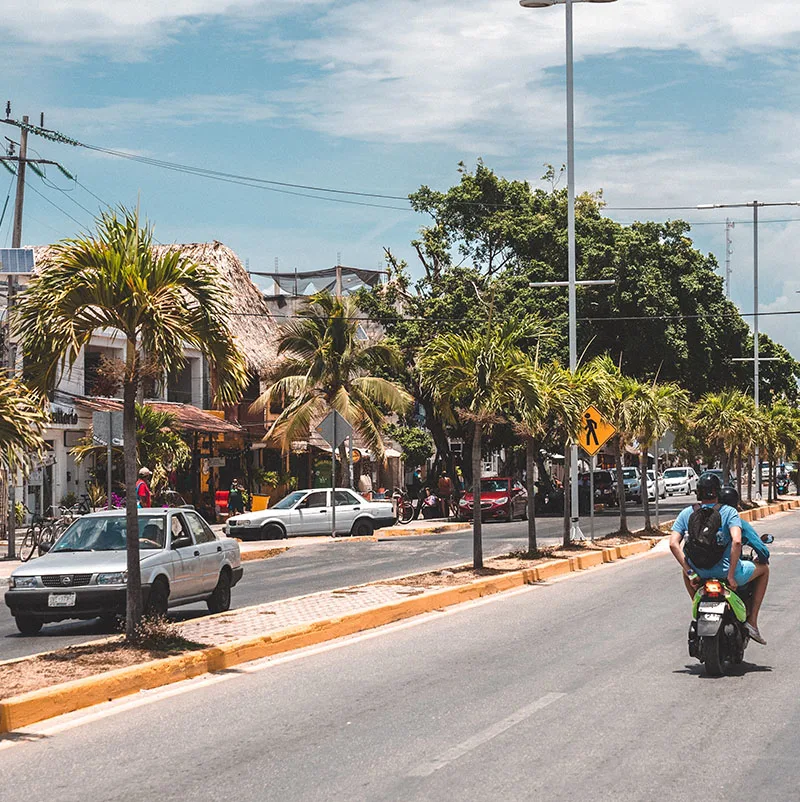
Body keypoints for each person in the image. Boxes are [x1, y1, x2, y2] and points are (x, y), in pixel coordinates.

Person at [669, 473, 769, 645]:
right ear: (718, 492)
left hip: (699, 573)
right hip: (727, 574)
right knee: (764, 570)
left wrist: (691, 572)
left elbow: (673, 544)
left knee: (683, 573)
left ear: (698, 492)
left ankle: (699, 606)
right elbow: (737, 541)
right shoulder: (729, 512)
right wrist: (730, 576)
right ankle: (752, 621)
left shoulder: (687, 513)